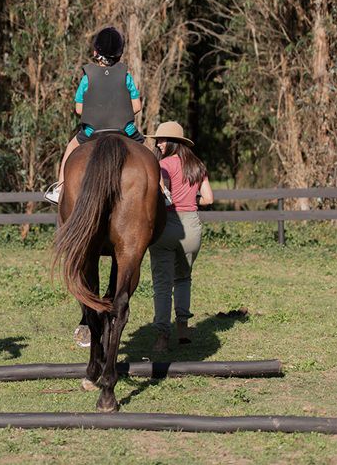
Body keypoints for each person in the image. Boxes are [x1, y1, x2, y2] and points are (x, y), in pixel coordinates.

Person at [44, 26, 144, 205]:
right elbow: (136, 106)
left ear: (96, 52)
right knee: (147, 151)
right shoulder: (126, 76)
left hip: (92, 130)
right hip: (125, 129)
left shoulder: (87, 78)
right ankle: (162, 190)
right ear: (119, 55)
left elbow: (79, 109)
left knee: (71, 147)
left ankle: (59, 189)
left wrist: (98, 112)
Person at [147, 121, 213, 352]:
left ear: (174, 142)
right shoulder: (197, 165)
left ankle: (163, 337)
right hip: (192, 228)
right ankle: (183, 330)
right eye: (158, 140)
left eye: (162, 139)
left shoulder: (163, 165)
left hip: (167, 226)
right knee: (184, 279)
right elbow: (209, 199)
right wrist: (190, 200)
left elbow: (163, 194)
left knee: (162, 285)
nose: (159, 143)